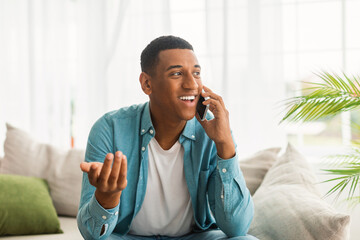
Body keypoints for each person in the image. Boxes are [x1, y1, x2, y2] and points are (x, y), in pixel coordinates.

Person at [77, 35, 257, 240]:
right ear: (147, 84)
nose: (192, 85)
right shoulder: (109, 128)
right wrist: (106, 197)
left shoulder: (214, 130)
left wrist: (225, 144)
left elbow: (237, 228)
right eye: (177, 73)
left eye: (196, 73)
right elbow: (92, 235)